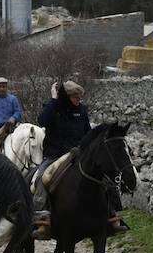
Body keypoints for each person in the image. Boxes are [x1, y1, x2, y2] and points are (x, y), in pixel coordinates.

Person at [32, 80, 127, 239]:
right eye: (75, 96)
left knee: (105, 177)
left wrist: (86, 149)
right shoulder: (53, 108)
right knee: (42, 178)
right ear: (66, 97)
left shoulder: (82, 111)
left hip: (78, 154)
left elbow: (87, 133)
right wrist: (53, 99)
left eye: (79, 96)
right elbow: (42, 121)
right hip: (54, 155)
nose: (78, 99)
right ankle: (41, 218)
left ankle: (112, 215)